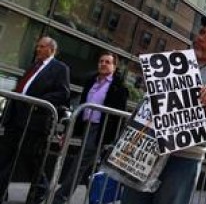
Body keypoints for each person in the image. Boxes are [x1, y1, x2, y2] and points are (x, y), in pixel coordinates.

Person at [121, 16, 206, 204]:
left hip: (183, 159)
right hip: (146, 148)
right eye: (202, 32)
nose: (202, 37)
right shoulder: (172, 62)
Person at [0, 36, 70, 204]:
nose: (37, 49)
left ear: (51, 50)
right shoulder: (34, 66)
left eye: (41, 46)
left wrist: (37, 101)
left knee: (30, 159)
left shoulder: (60, 68)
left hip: (34, 121)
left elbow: (63, 93)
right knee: (5, 157)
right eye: (37, 46)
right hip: (16, 118)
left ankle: (40, 189)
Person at [52, 51, 129, 204]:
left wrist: (114, 140)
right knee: (90, 167)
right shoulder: (91, 82)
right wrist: (69, 131)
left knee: (80, 163)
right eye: (101, 61)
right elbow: (82, 107)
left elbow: (118, 116)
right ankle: (99, 199)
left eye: (108, 62)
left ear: (114, 66)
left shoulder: (119, 88)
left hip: (100, 130)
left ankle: (59, 198)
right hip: (86, 127)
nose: (103, 64)